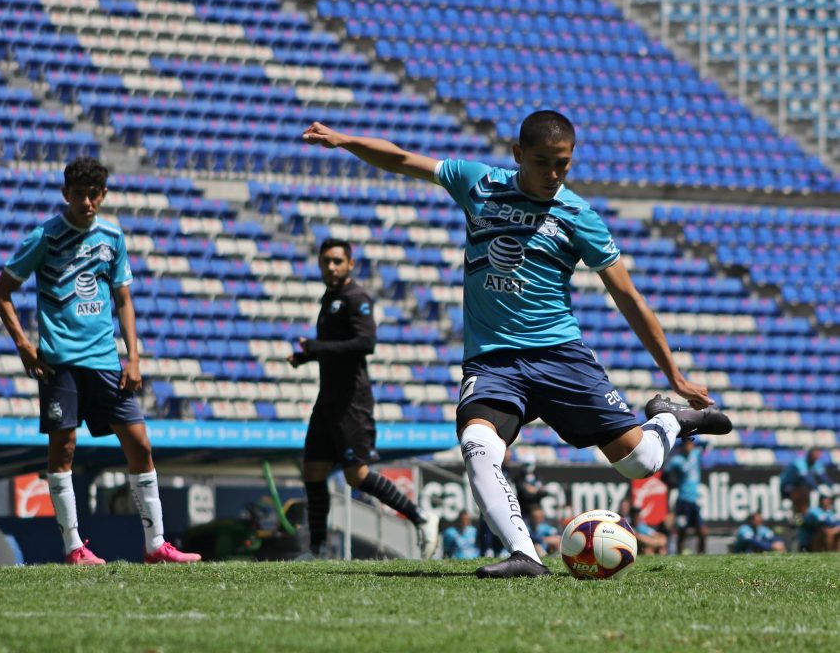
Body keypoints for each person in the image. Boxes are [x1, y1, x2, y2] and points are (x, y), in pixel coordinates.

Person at [302, 111, 732, 578]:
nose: (553, 175)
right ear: (517, 154)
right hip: (493, 362)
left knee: (642, 462)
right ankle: (525, 554)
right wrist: (344, 140)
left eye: (562, 165)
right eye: (543, 162)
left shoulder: (578, 215)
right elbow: (403, 158)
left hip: (560, 357)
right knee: (476, 442)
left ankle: (669, 418)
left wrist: (674, 375)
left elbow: (628, 297)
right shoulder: (479, 184)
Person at [0, 156, 200, 565]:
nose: (87, 201)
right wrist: (23, 344)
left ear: (103, 195)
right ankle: (74, 548)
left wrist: (133, 357)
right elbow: (1, 292)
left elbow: (123, 298)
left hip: (106, 360)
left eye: (94, 194)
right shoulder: (44, 237)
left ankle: (156, 545)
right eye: (79, 194)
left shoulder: (112, 236)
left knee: (140, 443)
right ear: (66, 194)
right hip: (60, 363)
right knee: (63, 449)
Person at [287, 238, 440, 559]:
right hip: (327, 398)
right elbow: (338, 350)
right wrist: (309, 357)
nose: (331, 267)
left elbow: (365, 344)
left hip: (351, 400)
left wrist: (317, 347)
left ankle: (421, 518)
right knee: (313, 470)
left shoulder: (356, 298)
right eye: (326, 260)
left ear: (350, 265)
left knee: (356, 474)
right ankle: (316, 549)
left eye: (337, 261)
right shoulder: (330, 299)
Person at [665, 438, 708, 554]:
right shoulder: (677, 460)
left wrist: (697, 439)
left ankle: (702, 555)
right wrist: (673, 484)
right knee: (682, 531)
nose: (688, 446)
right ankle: (679, 555)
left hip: (694, 501)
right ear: (682, 445)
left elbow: (706, 442)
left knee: (703, 531)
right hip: (683, 501)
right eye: (686, 444)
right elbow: (665, 474)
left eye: (690, 443)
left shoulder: (696, 453)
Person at [780, 448, 834, 516]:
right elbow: (806, 478)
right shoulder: (800, 462)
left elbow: (823, 476)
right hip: (788, 486)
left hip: (800, 486)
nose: (817, 457)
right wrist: (817, 488)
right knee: (802, 496)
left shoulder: (816, 462)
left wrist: (832, 486)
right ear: (810, 455)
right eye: (815, 455)